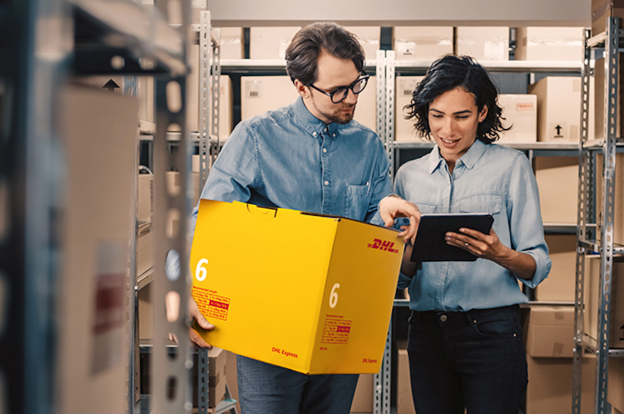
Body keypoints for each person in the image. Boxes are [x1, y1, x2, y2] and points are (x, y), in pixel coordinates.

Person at [188, 22, 419, 414]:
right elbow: (209, 220)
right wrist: (186, 284)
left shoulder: (369, 147)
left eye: (356, 84)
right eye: (336, 91)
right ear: (300, 86)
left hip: (338, 332)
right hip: (268, 331)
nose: (351, 99)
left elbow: (373, 241)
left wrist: (387, 220)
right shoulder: (258, 138)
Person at [380, 55, 551, 414]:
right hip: (426, 333)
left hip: (491, 331)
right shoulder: (408, 176)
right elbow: (399, 278)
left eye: (462, 116)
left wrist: (498, 253)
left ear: (483, 113)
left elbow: (538, 265)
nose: (448, 130)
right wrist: (409, 247)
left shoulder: (511, 167)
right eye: (437, 115)